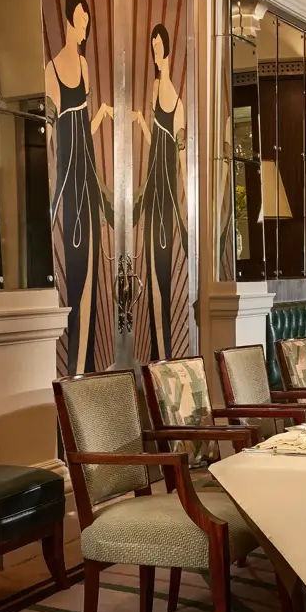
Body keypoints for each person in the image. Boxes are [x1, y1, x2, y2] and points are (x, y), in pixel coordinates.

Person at [45, 0, 113, 375]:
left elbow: (83, 130)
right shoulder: (51, 72)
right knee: (74, 271)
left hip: (87, 178)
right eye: (82, 20)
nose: (85, 27)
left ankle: (86, 367)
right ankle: (73, 370)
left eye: (88, 21)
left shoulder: (85, 67)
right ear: (69, 19)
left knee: (90, 273)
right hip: (68, 183)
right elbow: (53, 140)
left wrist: (101, 114)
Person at [132, 23, 187, 360]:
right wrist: (140, 122)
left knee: (163, 267)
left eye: (158, 46)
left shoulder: (177, 101)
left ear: (166, 49)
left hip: (167, 189)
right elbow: (157, 142)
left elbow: (177, 154)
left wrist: (182, 200)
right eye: (151, 46)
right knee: (152, 262)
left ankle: (166, 353)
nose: (154, 51)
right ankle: (157, 353)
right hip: (154, 184)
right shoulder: (154, 89)